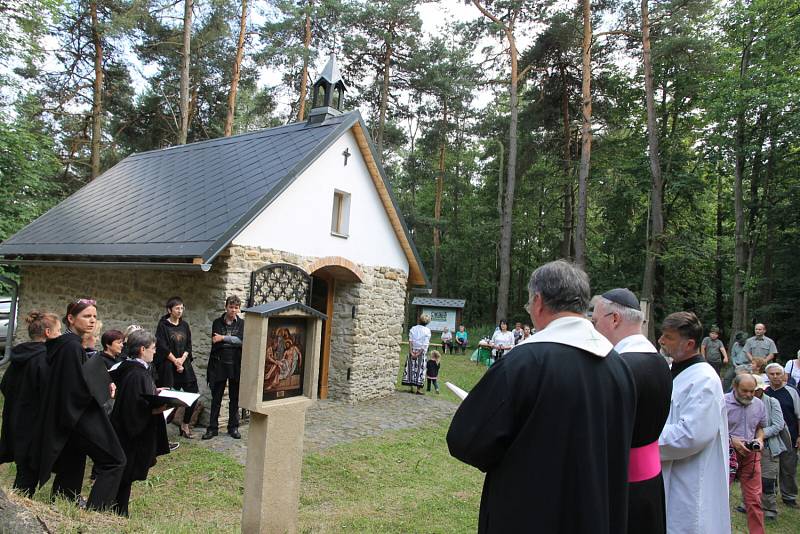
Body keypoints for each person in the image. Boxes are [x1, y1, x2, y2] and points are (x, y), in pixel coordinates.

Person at [447, 260, 636, 533]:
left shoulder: (523, 363)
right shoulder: (618, 366)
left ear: (538, 301)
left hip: (532, 514)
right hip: (596, 512)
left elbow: (466, 441)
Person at [33, 298, 126, 510]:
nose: (92, 320)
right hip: (79, 415)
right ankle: (96, 511)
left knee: (73, 460)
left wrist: (106, 382)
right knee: (115, 460)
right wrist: (101, 391)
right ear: (71, 319)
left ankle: (64, 502)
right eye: (86, 316)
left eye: (94, 316)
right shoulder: (70, 347)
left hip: (70, 416)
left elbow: (82, 376)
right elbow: (74, 387)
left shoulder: (70, 345)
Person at [592, 289, 672, 534]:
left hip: (618, 484)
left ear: (614, 319)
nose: (593, 329)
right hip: (650, 479)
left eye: (595, 322)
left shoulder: (617, 368)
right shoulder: (660, 362)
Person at [658, 311, 730, 534]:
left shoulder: (704, 380)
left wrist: (643, 437)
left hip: (690, 476)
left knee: (689, 523)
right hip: (670, 470)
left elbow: (691, 435)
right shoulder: (674, 370)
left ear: (689, 344)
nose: (661, 341)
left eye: (668, 337)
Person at [109, 329, 170, 516]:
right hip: (130, 434)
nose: (155, 351)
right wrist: (155, 409)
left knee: (124, 475)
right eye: (153, 348)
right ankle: (117, 511)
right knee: (125, 474)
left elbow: (136, 395)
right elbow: (133, 408)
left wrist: (154, 391)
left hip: (122, 431)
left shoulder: (131, 368)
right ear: (142, 349)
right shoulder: (137, 374)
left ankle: (119, 509)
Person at [0, 311, 61, 496]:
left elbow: (4, 384)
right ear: (48, 333)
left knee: (23, 469)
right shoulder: (44, 359)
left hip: (16, 417)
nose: (60, 336)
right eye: (59, 331)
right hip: (34, 423)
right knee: (28, 473)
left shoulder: (19, 356)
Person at [726, 373, 767, 534]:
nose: (749, 395)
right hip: (727, 453)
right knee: (721, 496)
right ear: (735, 387)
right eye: (745, 391)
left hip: (751, 454)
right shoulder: (722, 402)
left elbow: (761, 427)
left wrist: (760, 439)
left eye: (752, 391)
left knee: (754, 499)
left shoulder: (758, 404)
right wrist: (732, 440)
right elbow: (713, 429)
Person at [155, 296, 198, 439]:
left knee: (193, 395)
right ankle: (160, 430)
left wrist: (182, 360)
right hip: (169, 366)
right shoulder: (163, 326)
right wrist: (175, 361)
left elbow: (188, 345)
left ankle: (185, 424)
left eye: (182, 308)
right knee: (168, 398)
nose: (180, 311)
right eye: (177, 308)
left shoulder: (184, 325)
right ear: (169, 310)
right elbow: (162, 347)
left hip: (184, 364)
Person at [204, 296, 245, 441]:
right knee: (216, 398)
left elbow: (241, 341)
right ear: (226, 307)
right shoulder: (217, 322)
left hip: (235, 364)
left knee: (235, 398)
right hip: (219, 364)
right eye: (231, 307)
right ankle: (212, 428)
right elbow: (216, 340)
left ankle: (233, 427)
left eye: (236, 307)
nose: (233, 310)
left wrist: (223, 338)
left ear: (238, 308)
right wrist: (228, 340)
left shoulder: (242, 324)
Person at [764, 362, 800, 508]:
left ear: (784, 375)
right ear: (767, 375)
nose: (775, 376)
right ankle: (770, 493)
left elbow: (799, 416)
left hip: (789, 435)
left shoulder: (792, 392)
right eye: (772, 374)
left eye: (778, 373)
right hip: (770, 436)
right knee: (770, 469)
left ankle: (789, 496)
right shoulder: (764, 391)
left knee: (788, 468)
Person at [752, 376, 786, 521]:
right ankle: (749, 504)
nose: (754, 393)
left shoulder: (772, 402)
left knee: (767, 479)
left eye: (757, 390)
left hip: (768, 446)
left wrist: (759, 436)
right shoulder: (742, 402)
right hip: (749, 447)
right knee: (750, 477)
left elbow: (779, 425)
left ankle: (769, 508)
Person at [402, 315, 431, 395]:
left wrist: (411, 352)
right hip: (421, 352)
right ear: (427, 322)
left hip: (413, 349)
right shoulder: (427, 331)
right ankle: (418, 389)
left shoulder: (413, 328)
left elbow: (410, 341)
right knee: (420, 369)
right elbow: (425, 344)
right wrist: (418, 353)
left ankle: (411, 387)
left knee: (410, 368)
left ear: (419, 320)